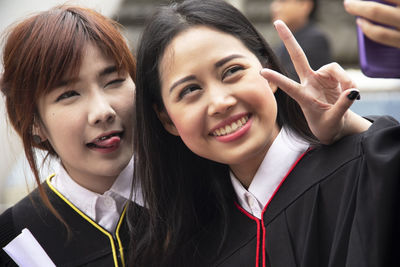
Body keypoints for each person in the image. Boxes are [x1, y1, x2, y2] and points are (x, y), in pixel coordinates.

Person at [130, 0, 399, 266]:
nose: (220, 102)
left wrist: (363, 135)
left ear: (268, 71)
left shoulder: (364, 171)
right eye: (190, 90)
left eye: (232, 71)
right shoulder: (187, 247)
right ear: (167, 120)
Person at [0, 5, 138, 266]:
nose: (102, 112)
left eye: (113, 81)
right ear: (33, 123)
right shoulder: (16, 241)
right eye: (68, 95)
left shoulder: (199, 188)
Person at [270, 0, 332, 81]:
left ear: (304, 5)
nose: (275, 7)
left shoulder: (315, 40)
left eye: (283, 1)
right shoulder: (281, 44)